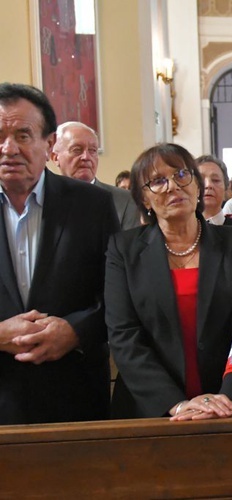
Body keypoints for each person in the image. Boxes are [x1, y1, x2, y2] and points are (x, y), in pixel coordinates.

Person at [105, 143, 232, 419]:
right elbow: (124, 336)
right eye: (157, 181)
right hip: (153, 408)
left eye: (181, 175)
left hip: (229, 404)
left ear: (196, 185)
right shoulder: (124, 250)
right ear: (144, 199)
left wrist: (228, 397)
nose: (172, 186)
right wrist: (175, 404)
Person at [0, 83, 119, 424]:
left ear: (49, 144)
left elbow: (116, 293)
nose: (8, 148)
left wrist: (75, 331)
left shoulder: (92, 205)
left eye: (23, 135)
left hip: (74, 397)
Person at [51, 121, 140, 230]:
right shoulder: (44, 201)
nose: (86, 157)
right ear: (55, 158)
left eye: (92, 150)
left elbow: (131, 246)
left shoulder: (125, 201)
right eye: (77, 150)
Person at [196, 154, 232, 230]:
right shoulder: (178, 232)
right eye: (201, 180)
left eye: (215, 180)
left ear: (226, 186)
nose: (208, 185)